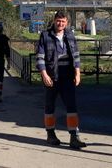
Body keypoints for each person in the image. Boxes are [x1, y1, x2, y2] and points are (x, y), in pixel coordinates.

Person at [35, 11, 86, 149]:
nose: (60, 24)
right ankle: (50, 134)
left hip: (67, 77)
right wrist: (44, 75)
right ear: (54, 20)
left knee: (72, 107)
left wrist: (77, 73)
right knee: (50, 106)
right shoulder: (45, 36)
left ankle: (74, 137)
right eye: (58, 21)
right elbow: (40, 57)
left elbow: (76, 55)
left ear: (67, 23)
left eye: (63, 21)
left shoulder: (70, 35)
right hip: (52, 77)